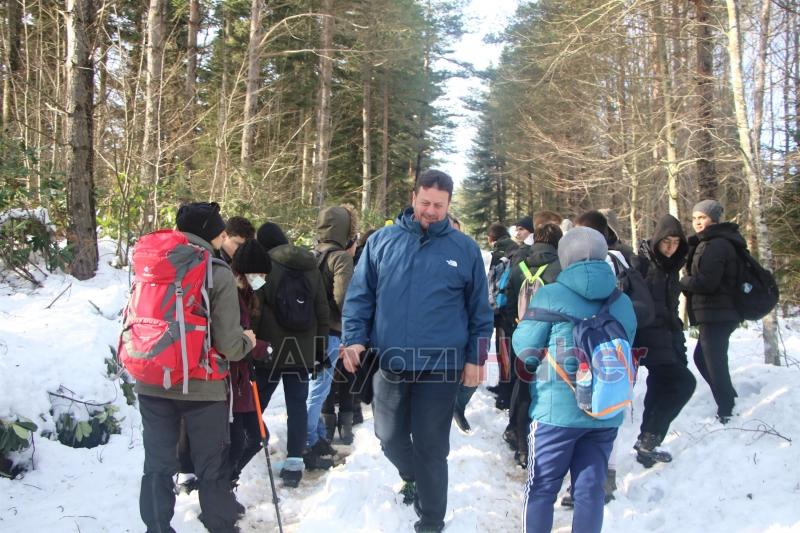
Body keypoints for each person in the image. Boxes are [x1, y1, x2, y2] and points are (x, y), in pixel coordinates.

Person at [341, 169, 494, 533]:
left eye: (439, 205)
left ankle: (430, 521)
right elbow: (359, 296)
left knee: (432, 446)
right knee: (388, 436)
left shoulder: (465, 249)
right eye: (425, 202)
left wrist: (478, 357)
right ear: (413, 199)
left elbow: (481, 312)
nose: (431, 210)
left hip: (441, 368)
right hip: (390, 362)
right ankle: (411, 474)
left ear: (449, 205)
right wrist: (354, 337)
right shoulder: (382, 242)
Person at [137, 202, 256, 533]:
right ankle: (221, 527)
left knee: (157, 466)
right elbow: (231, 346)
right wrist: (248, 339)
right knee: (211, 466)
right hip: (202, 387)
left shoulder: (151, 263)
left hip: (152, 379)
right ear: (214, 235)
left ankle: (157, 528)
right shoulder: (216, 271)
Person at [512, 227, 636, 533]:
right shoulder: (621, 301)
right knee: (590, 492)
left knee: (541, 487)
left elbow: (525, 352)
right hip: (604, 412)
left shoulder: (550, 295)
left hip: (556, 414)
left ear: (565, 258)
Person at [254, 221, 330, 487]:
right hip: (302, 351)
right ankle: (294, 464)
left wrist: (252, 343)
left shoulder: (264, 265)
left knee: (257, 403)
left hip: (270, 351)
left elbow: (256, 309)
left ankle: (249, 445)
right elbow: (322, 311)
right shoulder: (311, 266)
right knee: (297, 406)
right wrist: (319, 350)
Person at [632, 214, 696, 465]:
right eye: (666, 242)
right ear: (657, 240)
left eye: (675, 242)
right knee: (683, 384)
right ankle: (649, 439)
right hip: (646, 336)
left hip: (667, 336)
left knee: (659, 388)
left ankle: (647, 445)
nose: (670, 247)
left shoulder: (671, 268)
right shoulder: (642, 264)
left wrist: (677, 336)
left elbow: (670, 307)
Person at [504, 222, 562, 468]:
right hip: (551, 338)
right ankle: (543, 445)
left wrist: (514, 328)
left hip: (522, 334)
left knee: (523, 387)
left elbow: (508, 301)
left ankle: (521, 447)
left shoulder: (519, 267)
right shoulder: (560, 268)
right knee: (547, 391)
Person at [680, 200, 743, 423]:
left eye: (702, 218)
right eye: (695, 218)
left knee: (713, 360)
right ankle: (728, 398)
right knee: (704, 358)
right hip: (714, 312)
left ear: (714, 220)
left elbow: (708, 282)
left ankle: (727, 408)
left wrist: (683, 281)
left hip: (718, 312)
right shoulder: (709, 242)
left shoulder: (716, 244)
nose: (697, 222)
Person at [309, 205, 357, 448]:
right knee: (318, 390)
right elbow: (344, 299)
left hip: (306, 332)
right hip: (330, 330)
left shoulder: (311, 254)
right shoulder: (340, 258)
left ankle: (316, 434)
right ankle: (309, 440)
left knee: (313, 389)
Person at [228, 239, 272, 484]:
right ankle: (223, 485)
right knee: (246, 440)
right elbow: (235, 338)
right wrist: (261, 347)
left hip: (242, 380)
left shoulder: (245, 293)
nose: (262, 280)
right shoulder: (232, 295)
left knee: (256, 437)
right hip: (233, 383)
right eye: (261, 274)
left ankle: (228, 481)